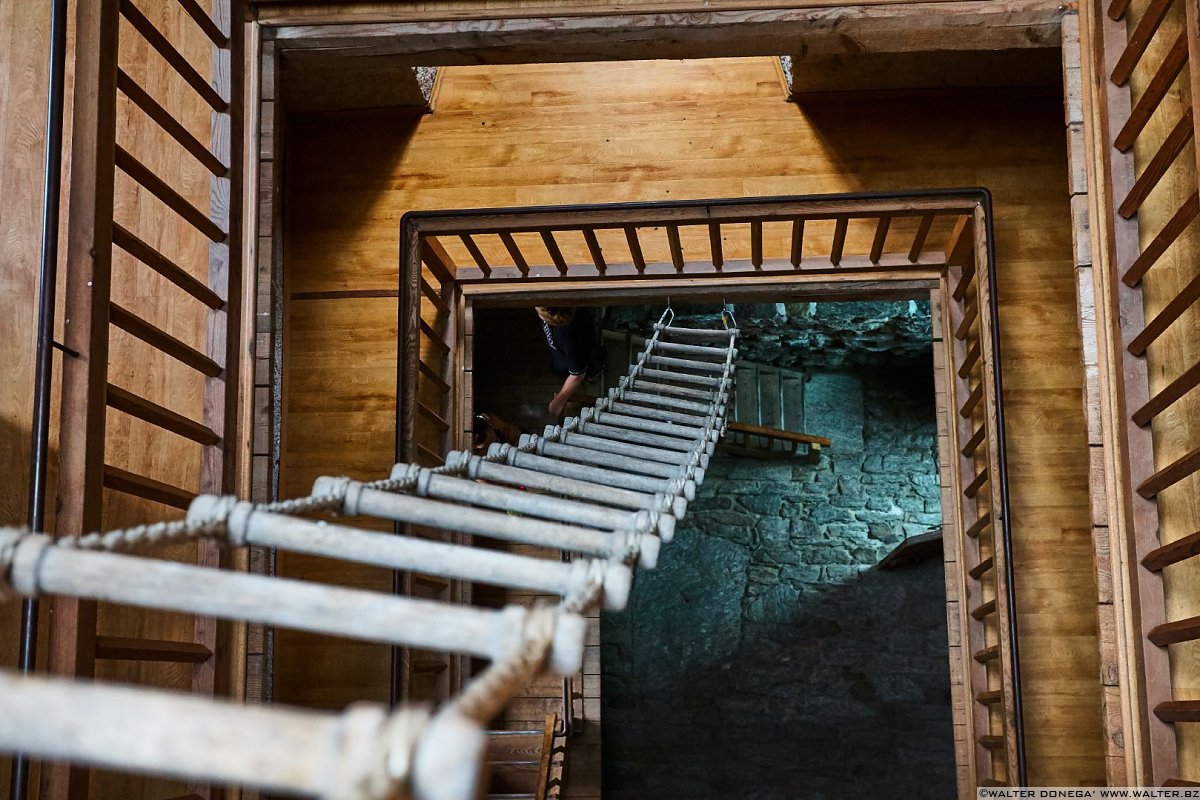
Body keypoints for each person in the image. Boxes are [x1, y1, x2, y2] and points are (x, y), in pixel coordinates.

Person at [536, 306, 605, 418]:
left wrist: (558, 401)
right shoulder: (567, 312)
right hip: (561, 357)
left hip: (573, 362)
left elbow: (577, 375)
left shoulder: (570, 338)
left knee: (573, 369)